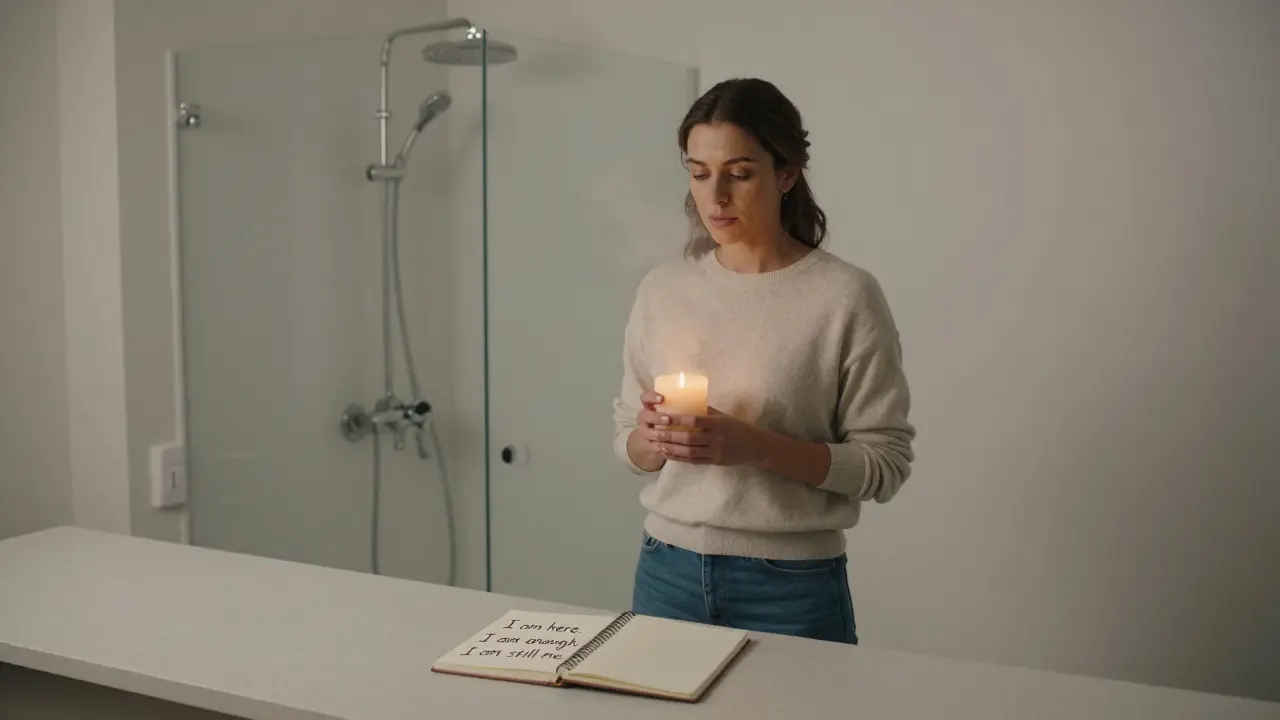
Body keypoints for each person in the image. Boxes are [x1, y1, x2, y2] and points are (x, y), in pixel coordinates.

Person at [611, 78, 916, 644]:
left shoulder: (844, 296)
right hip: (666, 572)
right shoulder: (663, 289)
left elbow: (884, 465)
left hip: (791, 587)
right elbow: (628, 443)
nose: (715, 196)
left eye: (740, 173)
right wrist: (650, 440)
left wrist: (755, 447)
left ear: (787, 174)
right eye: (699, 172)